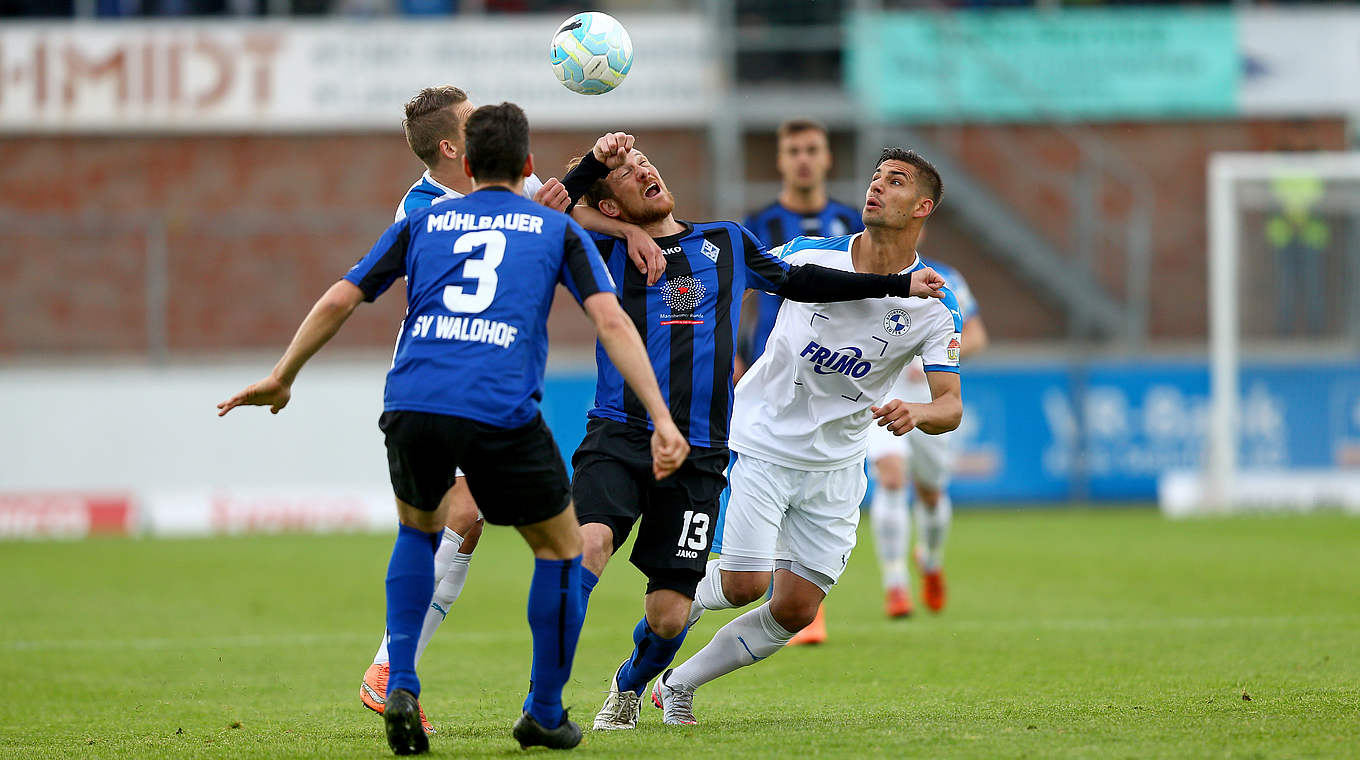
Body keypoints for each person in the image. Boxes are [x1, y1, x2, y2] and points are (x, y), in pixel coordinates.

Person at [217, 103, 689, 755]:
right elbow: (610, 322)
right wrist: (662, 419)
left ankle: (400, 676)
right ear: (525, 166)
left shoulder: (425, 219)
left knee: (423, 529)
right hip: (496, 402)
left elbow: (340, 295)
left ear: (468, 165)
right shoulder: (551, 230)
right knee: (559, 550)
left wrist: (282, 374)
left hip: (413, 397)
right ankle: (545, 710)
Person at [557, 137, 946, 732]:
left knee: (788, 609)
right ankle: (552, 695)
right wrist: (615, 215)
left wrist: (914, 393)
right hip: (737, 438)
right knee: (734, 583)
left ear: (922, 206)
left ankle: (675, 684)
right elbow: (544, 212)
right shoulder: (610, 250)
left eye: (895, 180)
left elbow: (797, 284)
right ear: (607, 208)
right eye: (877, 176)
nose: (876, 185)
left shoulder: (729, 243)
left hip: (815, 459)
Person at [360, 86, 666, 734]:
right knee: (498, 529)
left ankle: (398, 670)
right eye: (473, 124)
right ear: (453, 150)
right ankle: (397, 667)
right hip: (463, 377)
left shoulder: (461, 199)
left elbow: (550, 210)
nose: (481, 131)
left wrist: (602, 186)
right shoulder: (426, 205)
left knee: (458, 522)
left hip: (439, 387)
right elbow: (538, 214)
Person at [733, 117, 865, 646]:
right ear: (782, 161)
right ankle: (758, 581)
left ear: (827, 157)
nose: (804, 159)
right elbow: (738, 292)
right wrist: (734, 358)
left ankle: (798, 593)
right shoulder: (761, 222)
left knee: (824, 478)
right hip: (771, 373)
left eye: (813, 148)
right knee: (766, 470)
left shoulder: (853, 220)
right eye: (794, 150)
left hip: (833, 377)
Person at [867, 259, 986, 618]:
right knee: (891, 478)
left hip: (930, 397)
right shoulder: (863, 272)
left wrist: (937, 357)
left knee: (931, 495)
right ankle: (896, 585)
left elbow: (977, 336)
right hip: (884, 394)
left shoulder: (946, 278)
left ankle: (931, 562)